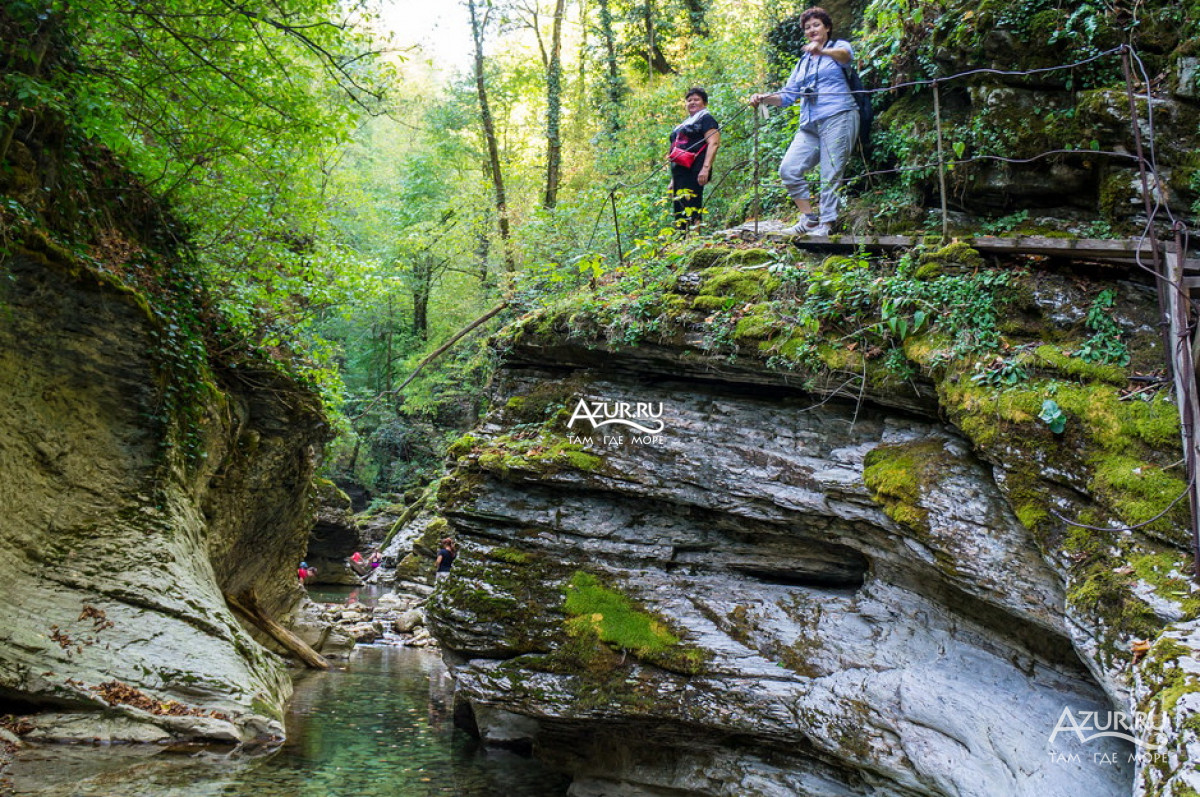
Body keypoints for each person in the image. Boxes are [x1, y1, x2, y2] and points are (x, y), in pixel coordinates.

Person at [750, 7, 859, 237]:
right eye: (808, 27)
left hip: (838, 116)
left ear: (827, 27)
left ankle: (827, 225)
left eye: (816, 25)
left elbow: (847, 57)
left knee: (830, 172)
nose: (812, 30)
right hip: (810, 125)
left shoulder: (838, 48)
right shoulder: (802, 63)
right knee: (789, 169)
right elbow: (788, 96)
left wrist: (823, 52)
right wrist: (764, 98)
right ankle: (809, 219)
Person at [668, 87, 721, 231]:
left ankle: (694, 238)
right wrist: (673, 179)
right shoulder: (685, 123)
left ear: (704, 103)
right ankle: (683, 240)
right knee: (680, 206)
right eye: (689, 100)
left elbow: (713, 143)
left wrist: (705, 168)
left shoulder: (706, 118)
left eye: (696, 99)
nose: (692, 102)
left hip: (696, 168)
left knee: (693, 203)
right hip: (680, 171)